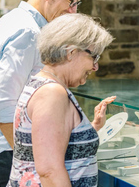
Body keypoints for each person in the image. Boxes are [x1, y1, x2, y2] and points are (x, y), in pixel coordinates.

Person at [0, 0, 88, 187]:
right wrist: (26, 159)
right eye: (72, 1)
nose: (74, 10)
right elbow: (3, 104)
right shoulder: (27, 32)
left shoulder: (15, 22)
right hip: (7, 151)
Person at [7, 13, 115, 187]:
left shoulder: (42, 83)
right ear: (71, 52)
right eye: (94, 56)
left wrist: (92, 127)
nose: (95, 66)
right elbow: (49, 171)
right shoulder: (52, 93)